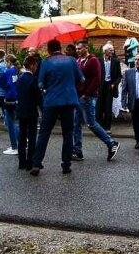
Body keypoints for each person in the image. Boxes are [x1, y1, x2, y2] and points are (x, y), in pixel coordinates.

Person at [30, 39, 84, 176]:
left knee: (44, 132)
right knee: (68, 133)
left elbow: (41, 84)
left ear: (48, 50)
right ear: (60, 48)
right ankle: (66, 164)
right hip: (69, 100)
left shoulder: (46, 62)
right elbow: (82, 79)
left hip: (51, 101)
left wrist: (49, 86)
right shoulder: (71, 60)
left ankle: (36, 163)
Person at [73, 41, 120, 162]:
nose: (77, 50)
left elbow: (97, 79)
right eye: (76, 49)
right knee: (76, 124)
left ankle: (111, 143)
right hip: (78, 97)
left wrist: (86, 94)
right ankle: (77, 151)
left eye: (79, 48)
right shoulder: (78, 61)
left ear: (86, 48)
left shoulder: (93, 60)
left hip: (87, 97)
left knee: (91, 123)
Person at [16, 55, 43, 170]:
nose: (36, 67)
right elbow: (38, 98)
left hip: (21, 111)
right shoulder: (33, 80)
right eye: (36, 65)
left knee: (22, 136)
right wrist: (43, 109)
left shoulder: (20, 78)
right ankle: (30, 162)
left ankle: (22, 162)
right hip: (31, 112)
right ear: (32, 65)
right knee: (32, 137)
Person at [98, 43, 122, 132]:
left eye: (113, 50)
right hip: (100, 86)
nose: (113, 51)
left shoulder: (116, 62)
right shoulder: (98, 60)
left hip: (110, 87)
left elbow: (119, 76)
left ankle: (107, 127)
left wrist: (114, 84)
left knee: (108, 107)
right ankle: (99, 127)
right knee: (99, 106)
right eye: (110, 50)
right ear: (105, 51)